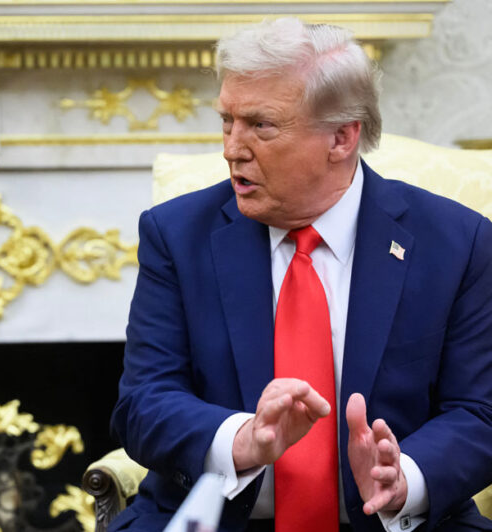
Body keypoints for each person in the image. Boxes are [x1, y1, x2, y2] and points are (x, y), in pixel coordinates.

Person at [110, 18, 492, 532]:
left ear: (341, 137)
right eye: (227, 121)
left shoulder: (457, 243)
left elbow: (479, 412)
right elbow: (142, 403)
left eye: (261, 125)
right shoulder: (176, 235)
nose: (232, 148)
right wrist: (240, 440)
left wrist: (406, 477)